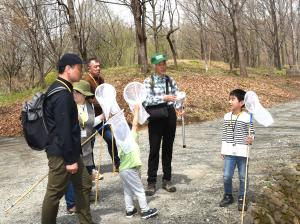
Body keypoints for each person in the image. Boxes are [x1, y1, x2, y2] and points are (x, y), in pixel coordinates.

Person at [41, 53, 93, 224]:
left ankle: (86, 221)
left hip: (69, 150)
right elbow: (63, 130)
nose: (81, 72)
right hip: (61, 154)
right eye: (79, 68)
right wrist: (70, 160)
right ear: (68, 69)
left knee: (84, 184)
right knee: (54, 193)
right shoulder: (61, 94)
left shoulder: (63, 88)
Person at [143, 53, 184, 196]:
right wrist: (163, 98)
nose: (162, 67)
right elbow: (146, 100)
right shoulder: (148, 81)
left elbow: (177, 97)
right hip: (155, 116)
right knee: (154, 150)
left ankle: (167, 180)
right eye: (160, 64)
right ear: (155, 66)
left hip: (170, 115)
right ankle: (151, 182)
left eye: (164, 64)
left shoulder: (170, 80)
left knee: (168, 149)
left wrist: (179, 107)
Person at [64, 79, 104, 213]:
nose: (74, 95)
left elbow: (89, 123)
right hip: (73, 145)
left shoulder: (89, 106)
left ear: (84, 95)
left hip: (87, 144)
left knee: (86, 170)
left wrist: (102, 117)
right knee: (71, 175)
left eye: (77, 93)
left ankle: (86, 195)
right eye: (74, 92)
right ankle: (71, 203)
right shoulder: (69, 107)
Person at [119, 104, 158, 219]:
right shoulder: (129, 138)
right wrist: (136, 111)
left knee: (128, 190)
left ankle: (130, 210)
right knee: (140, 190)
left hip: (124, 170)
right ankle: (145, 211)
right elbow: (135, 124)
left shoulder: (119, 141)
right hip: (131, 170)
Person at [219, 89, 255, 211]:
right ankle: (228, 195)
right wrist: (223, 150)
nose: (230, 101)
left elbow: (252, 133)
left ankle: (242, 197)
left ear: (241, 103)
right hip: (229, 151)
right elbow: (225, 134)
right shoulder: (226, 116)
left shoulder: (247, 117)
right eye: (229, 99)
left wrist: (251, 138)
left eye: (233, 99)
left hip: (242, 152)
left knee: (242, 176)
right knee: (226, 176)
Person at [84, 58, 120, 171]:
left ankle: (117, 163)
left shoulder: (101, 79)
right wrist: (102, 102)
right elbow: (87, 99)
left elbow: (104, 95)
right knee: (89, 144)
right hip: (89, 118)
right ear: (89, 68)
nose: (98, 68)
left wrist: (109, 105)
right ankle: (92, 170)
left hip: (102, 117)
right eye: (95, 66)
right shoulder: (86, 81)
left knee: (111, 139)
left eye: (99, 66)